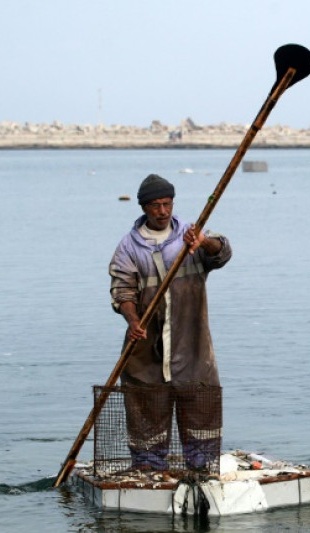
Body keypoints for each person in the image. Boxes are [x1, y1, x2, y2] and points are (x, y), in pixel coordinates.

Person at [108, 173, 232, 470]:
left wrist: (204, 242)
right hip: (145, 350)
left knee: (200, 407)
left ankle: (201, 467)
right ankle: (149, 468)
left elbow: (222, 253)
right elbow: (121, 290)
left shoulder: (191, 235)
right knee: (146, 409)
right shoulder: (128, 247)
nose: (162, 212)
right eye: (155, 206)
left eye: (167, 204)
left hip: (192, 346)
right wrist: (133, 319)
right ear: (144, 208)